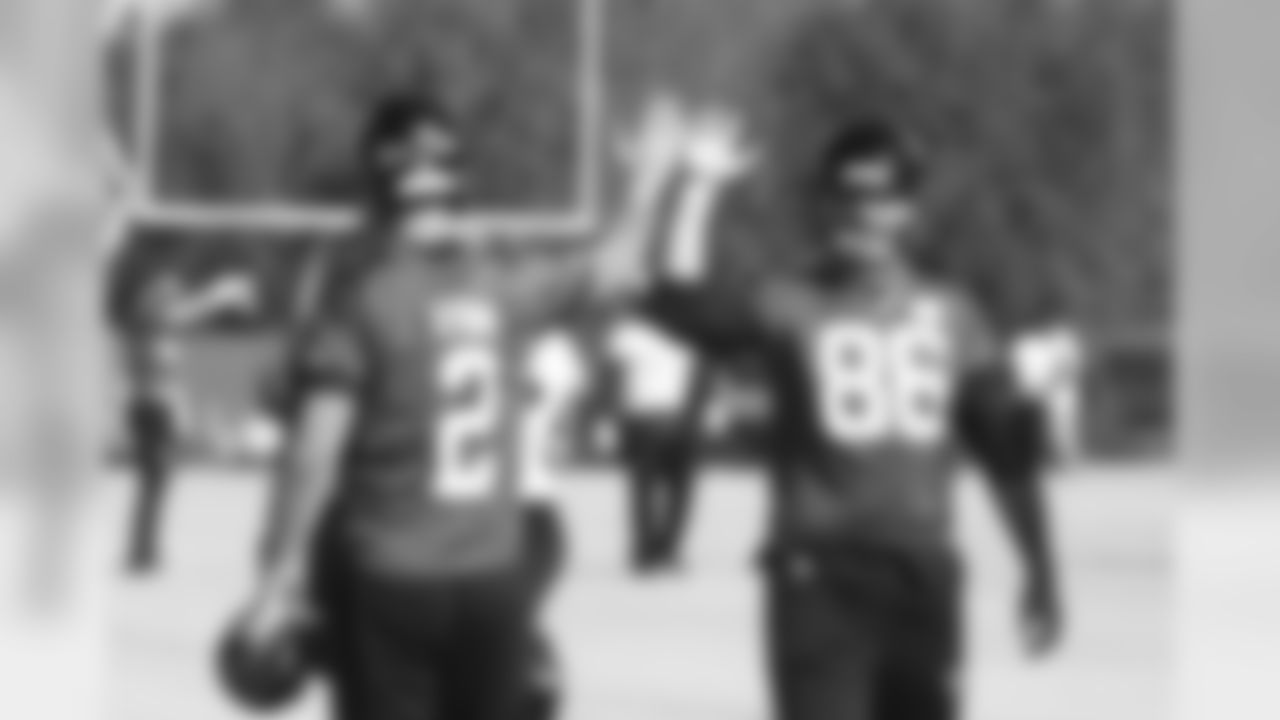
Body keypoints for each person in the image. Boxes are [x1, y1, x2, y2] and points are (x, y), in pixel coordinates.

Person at [230, 92, 684, 720]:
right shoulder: (503, 287)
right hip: (493, 576)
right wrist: (648, 184)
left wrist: (277, 575)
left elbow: (315, 451)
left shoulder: (360, 297)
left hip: (391, 574)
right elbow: (619, 269)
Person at [640, 111, 1066, 720]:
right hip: (820, 574)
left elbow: (1008, 456)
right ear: (824, 204)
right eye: (847, 198)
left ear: (908, 209)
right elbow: (677, 303)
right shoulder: (789, 302)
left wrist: (1042, 569)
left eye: (880, 199)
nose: (862, 214)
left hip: (921, 574)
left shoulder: (953, 314)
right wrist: (697, 187)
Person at [117, 269, 254, 576]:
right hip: (155, 408)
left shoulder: (147, 329)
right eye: (170, 294)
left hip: (145, 407)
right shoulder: (156, 326)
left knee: (153, 485)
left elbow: (181, 318)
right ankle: (143, 553)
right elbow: (186, 314)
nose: (176, 299)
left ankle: (144, 550)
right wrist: (220, 293)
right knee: (155, 484)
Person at [605, 313, 711, 574]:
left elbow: (614, 379)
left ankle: (648, 551)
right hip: (669, 417)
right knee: (676, 490)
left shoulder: (630, 333)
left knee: (647, 488)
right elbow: (702, 377)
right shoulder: (688, 332)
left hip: (650, 418)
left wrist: (614, 417)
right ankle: (665, 550)